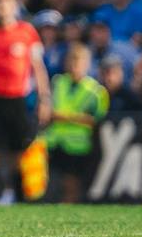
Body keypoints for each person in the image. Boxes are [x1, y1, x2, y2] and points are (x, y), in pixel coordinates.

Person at [0, 0, 51, 204]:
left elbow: (38, 67)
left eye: (7, 2)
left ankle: (19, 197)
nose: (2, 7)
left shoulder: (27, 32)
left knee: (19, 151)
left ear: (15, 6)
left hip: (18, 99)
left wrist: (44, 98)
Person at [45, 44, 109, 203]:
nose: (74, 65)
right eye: (71, 60)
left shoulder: (95, 91)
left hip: (78, 145)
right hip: (54, 141)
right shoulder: (57, 82)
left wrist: (65, 117)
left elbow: (96, 119)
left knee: (71, 184)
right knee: (49, 182)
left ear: (87, 63)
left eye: (78, 61)